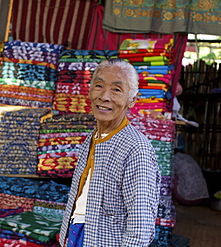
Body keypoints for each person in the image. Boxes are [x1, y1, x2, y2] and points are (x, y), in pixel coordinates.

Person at [59, 58, 160, 247]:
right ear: (89, 90)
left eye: (116, 89)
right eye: (99, 86)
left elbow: (141, 226)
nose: (104, 96)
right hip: (80, 234)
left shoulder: (136, 149)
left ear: (132, 100)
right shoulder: (93, 137)